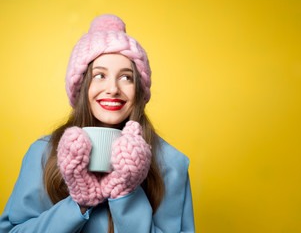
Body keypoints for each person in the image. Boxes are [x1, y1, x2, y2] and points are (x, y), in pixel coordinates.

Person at [0, 14, 195, 233]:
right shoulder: (43, 153)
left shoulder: (172, 164)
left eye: (126, 77)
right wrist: (79, 202)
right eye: (100, 75)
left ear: (139, 90)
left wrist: (126, 192)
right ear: (82, 86)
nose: (113, 88)